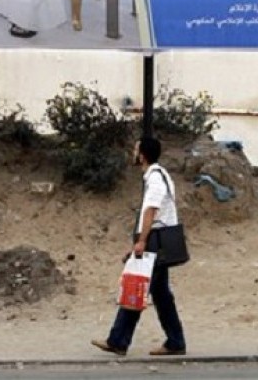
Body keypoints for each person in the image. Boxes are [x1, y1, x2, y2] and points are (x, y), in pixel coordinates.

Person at [91, 137, 187, 357]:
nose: (133, 153)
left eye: (136, 149)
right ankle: (175, 341)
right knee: (161, 295)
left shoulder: (154, 178)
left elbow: (151, 211)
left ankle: (118, 340)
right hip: (157, 241)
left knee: (135, 286)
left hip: (155, 241)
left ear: (142, 155)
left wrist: (142, 241)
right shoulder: (159, 175)